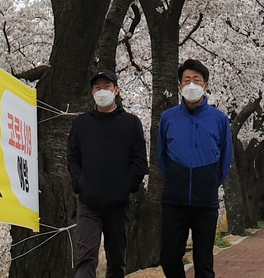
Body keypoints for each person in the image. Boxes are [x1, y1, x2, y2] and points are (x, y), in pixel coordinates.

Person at [68, 69, 148, 278]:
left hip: (118, 205)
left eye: (107, 86)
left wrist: (127, 187)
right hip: (88, 203)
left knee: (117, 261)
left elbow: (139, 161)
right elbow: (73, 157)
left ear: (116, 90)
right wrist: (80, 183)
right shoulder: (81, 123)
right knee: (86, 258)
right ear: (92, 92)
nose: (102, 91)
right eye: (98, 87)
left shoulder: (131, 123)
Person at [158, 58, 233, 278]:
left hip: (205, 201)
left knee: (204, 262)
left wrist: (210, 182)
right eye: (187, 80)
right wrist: (174, 179)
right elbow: (161, 155)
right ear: (180, 85)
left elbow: (225, 157)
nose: (191, 84)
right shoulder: (168, 118)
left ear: (205, 85)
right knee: (169, 257)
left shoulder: (219, 119)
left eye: (197, 80)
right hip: (174, 200)